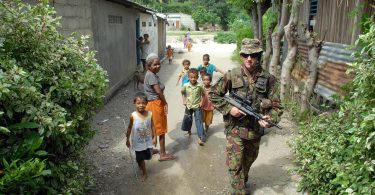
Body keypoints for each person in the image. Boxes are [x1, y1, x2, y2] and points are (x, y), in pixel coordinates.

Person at [208, 38, 283, 194]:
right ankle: (238, 189)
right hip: (235, 129)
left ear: (258, 56)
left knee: (247, 163)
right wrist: (229, 109)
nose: (249, 59)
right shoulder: (232, 75)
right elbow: (214, 94)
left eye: (253, 55)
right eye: (246, 55)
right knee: (234, 165)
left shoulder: (268, 79)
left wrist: (270, 119)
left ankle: (242, 181)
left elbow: (277, 106)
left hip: (254, 131)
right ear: (241, 56)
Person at [144, 53, 175, 161]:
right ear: (149, 66)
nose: (158, 66)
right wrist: (165, 103)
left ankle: (150, 149)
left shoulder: (151, 74)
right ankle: (162, 154)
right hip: (156, 104)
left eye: (159, 64)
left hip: (152, 104)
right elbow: (158, 91)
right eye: (155, 64)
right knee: (160, 129)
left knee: (152, 128)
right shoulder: (151, 76)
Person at [125, 92, 157, 181]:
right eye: (138, 103)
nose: (141, 105)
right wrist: (127, 139)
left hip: (147, 141)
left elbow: (153, 126)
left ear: (146, 103)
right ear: (134, 103)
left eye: (143, 103)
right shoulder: (133, 116)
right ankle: (145, 173)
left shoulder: (150, 114)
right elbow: (129, 127)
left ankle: (152, 152)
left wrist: (155, 137)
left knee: (148, 156)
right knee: (140, 158)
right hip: (137, 142)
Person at [180, 68, 205, 146]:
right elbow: (182, 92)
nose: (193, 79)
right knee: (188, 119)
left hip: (197, 106)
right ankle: (189, 131)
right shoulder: (186, 85)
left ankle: (200, 137)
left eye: (195, 77)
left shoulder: (200, 86)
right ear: (188, 77)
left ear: (197, 77)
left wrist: (201, 102)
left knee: (199, 121)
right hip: (189, 106)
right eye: (191, 77)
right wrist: (184, 100)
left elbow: (203, 94)